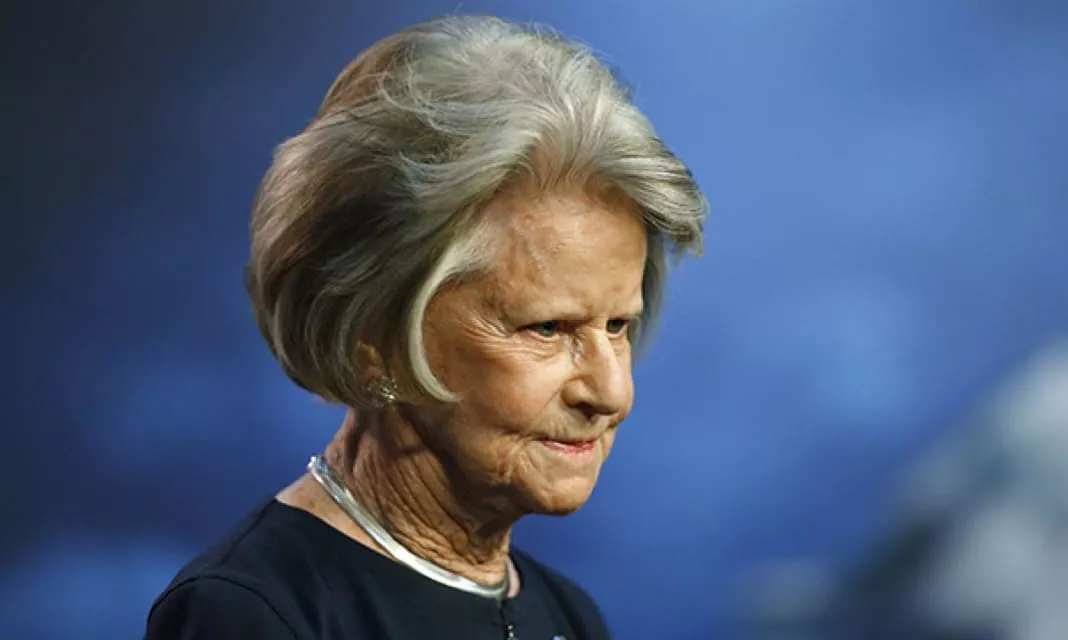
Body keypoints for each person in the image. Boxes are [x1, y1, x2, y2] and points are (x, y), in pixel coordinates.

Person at [144, 14, 706, 640]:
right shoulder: (254, 614)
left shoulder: (572, 617)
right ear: (375, 340)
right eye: (547, 328)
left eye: (618, 325)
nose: (611, 393)